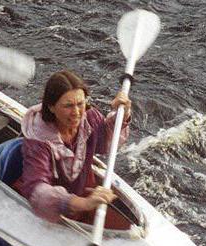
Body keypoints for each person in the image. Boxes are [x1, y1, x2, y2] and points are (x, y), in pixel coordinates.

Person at [18, 70, 131, 224]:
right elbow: (37, 190)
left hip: (86, 190)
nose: (77, 112)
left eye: (80, 103)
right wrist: (83, 204)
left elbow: (105, 144)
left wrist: (121, 115)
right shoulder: (38, 142)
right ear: (51, 107)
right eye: (68, 106)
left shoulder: (89, 117)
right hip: (53, 209)